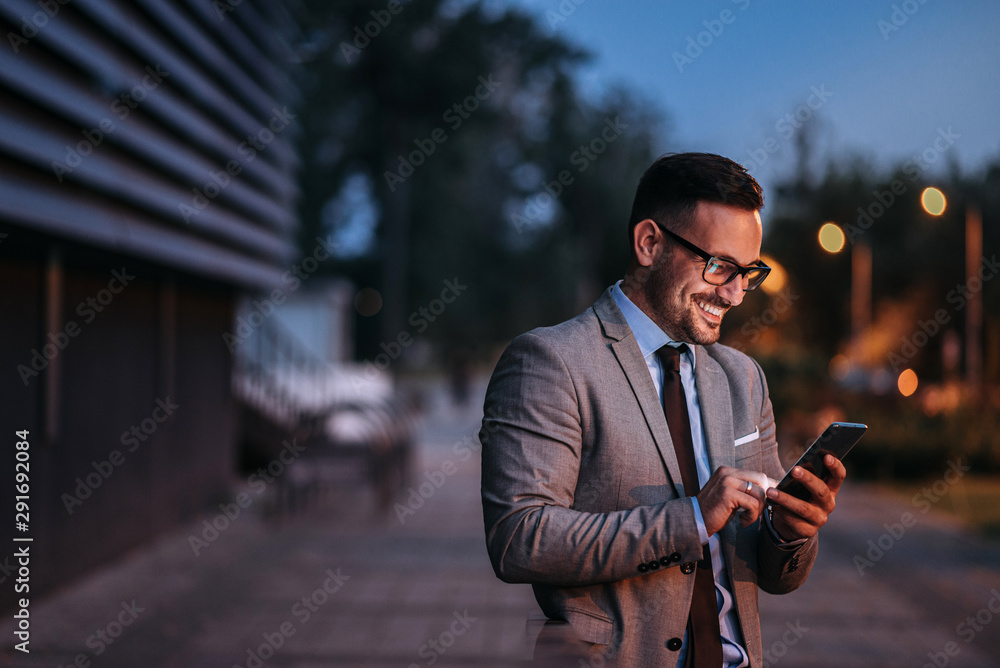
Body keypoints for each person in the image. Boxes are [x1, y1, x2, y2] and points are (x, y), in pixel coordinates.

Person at [479, 153, 845, 667]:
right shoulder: (550, 361)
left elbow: (772, 574)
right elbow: (519, 538)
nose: (736, 293)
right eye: (719, 267)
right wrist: (692, 518)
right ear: (649, 243)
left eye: (749, 272)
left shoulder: (744, 378)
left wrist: (791, 531)